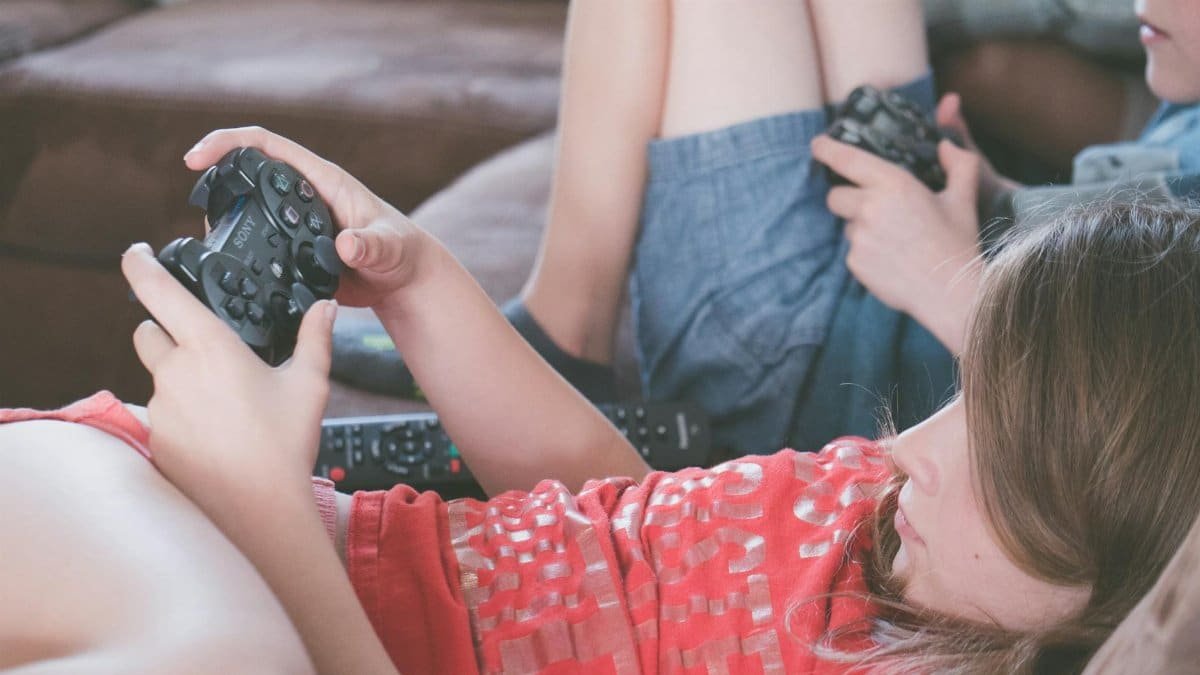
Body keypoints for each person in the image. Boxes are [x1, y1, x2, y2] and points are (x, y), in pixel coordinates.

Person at [5, 128, 1200, 674]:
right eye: (958, 394)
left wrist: (259, 497)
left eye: (998, 459)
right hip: (169, 517)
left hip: (242, 563)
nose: (910, 452)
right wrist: (423, 281)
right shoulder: (892, 519)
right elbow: (605, 517)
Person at [334, 0, 1200, 458]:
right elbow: (1126, 237)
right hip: (926, 257)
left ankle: (567, 330)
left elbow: (1145, 420)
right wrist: (993, 195)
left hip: (830, 386)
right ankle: (561, 326)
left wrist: (946, 275)